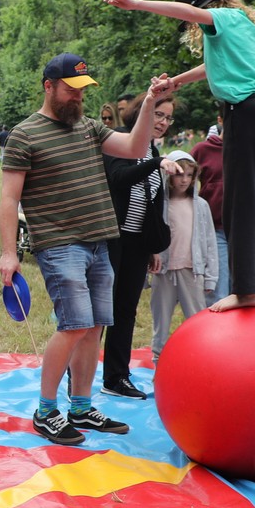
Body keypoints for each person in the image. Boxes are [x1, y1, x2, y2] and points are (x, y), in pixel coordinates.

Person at [0, 54, 173, 443]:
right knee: (74, 325)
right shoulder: (25, 135)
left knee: (94, 328)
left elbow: (135, 146)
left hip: (100, 242)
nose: (78, 97)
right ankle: (46, 411)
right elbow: (9, 199)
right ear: (49, 87)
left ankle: (80, 406)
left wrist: (149, 102)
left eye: (83, 90)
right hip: (59, 245)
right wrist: (9, 253)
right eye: (71, 89)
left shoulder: (90, 128)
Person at [101, 0, 255, 312]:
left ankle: (247, 290)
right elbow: (211, 67)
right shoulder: (240, 26)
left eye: (191, 22)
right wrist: (176, 82)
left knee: (239, 204)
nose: (191, 27)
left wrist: (137, 3)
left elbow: (189, 12)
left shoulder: (222, 17)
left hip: (246, 113)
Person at [100, 93, 174, 399]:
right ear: (141, 112)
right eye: (158, 114)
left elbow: (152, 200)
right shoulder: (120, 140)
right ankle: (74, 376)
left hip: (136, 243)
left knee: (126, 310)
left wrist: (152, 247)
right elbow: (118, 179)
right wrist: (155, 163)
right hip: (110, 238)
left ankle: (116, 377)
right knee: (99, 310)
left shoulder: (153, 149)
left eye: (168, 117)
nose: (163, 122)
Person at [149, 152, 216, 362]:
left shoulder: (201, 206)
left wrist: (210, 277)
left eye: (189, 175)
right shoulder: (159, 205)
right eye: (179, 175)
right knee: (161, 321)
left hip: (192, 271)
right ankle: (158, 363)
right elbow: (150, 237)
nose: (184, 180)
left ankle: (200, 360)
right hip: (163, 272)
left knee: (197, 320)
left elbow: (210, 241)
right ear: (169, 175)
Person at [192, 114, 230, 303]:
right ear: (220, 119)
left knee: (242, 290)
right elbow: (185, 181)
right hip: (215, 227)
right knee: (218, 290)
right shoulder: (203, 150)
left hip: (244, 229)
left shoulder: (249, 150)